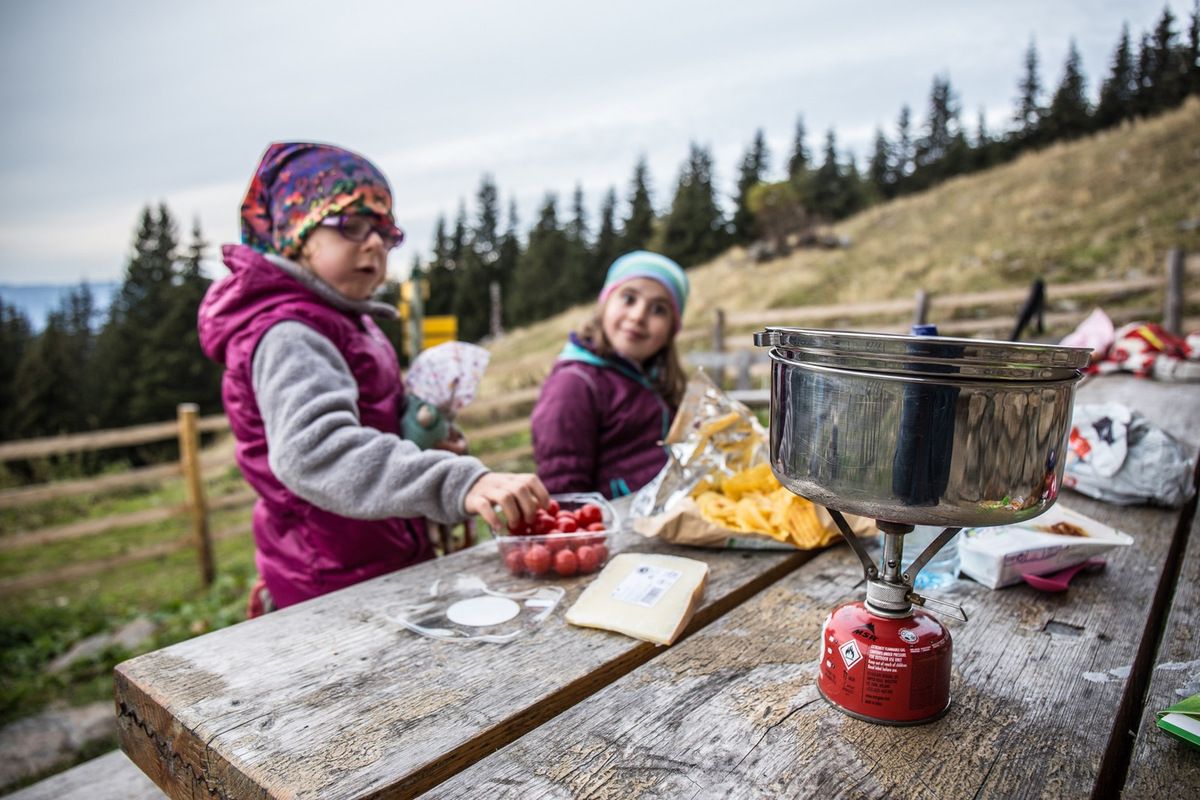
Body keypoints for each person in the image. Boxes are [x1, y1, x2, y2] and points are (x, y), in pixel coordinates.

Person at [198, 142, 548, 613]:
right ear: (296, 234)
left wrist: (420, 442)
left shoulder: (349, 322)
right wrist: (455, 482)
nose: (375, 244)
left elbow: (367, 427)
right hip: (330, 585)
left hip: (378, 562)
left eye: (386, 232)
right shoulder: (289, 334)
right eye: (353, 225)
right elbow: (315, 452)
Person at [530, 251, 689, 499]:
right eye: (628, 298)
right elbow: (563, 491)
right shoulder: (574, 385)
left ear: (671, 329)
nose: (638, 316)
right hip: (616, 522)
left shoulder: (655, 380)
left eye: (659, 309)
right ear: (604, 305)